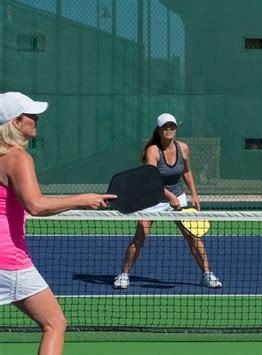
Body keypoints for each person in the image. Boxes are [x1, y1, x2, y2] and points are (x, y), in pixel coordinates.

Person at [0, 92, 116, 355]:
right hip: (10, 262)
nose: (37, 119)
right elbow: (36, 205)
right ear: (16, 122)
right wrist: (83, 200)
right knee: (55, 323)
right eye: (31, 115)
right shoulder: (18, 159)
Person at [114, 113, 222, 289]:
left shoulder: (183, 148)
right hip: (152, 198)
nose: (169, 129)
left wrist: (194, 194)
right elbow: (151, 180)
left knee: (193, 237)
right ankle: (124, 275)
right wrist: (168, 196)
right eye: (165, 126)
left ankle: (207, 274)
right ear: (159, 129)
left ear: (176, 129)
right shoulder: (153, 151)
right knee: (140, 235)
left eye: (172, 126)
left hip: (178, 196)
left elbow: (186, 171)